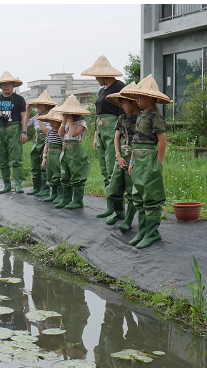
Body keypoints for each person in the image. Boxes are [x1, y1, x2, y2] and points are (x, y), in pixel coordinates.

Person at [122, 75, 170, 249]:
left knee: (151, 196)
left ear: (150, 97)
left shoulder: (155, 116)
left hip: (149, 158)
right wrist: (133, 161)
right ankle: (142, 231)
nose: (137, 100)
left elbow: (162, 140)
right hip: (138, 160)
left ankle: (151, 233)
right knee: (138, 195)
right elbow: (135, 142)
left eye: (140, 97)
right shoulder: (142, 115)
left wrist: (158, 163)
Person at [81, 56, 126, 218]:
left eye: (96, 76)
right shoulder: (102, 90)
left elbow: (123, 112)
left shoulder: (120, 87)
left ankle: (118, 209)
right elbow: (98, 114)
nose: (95, 78)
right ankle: (110, 205)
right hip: (101, 132)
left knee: (113, 168)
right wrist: (95, 136)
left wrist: (118, 134)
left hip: (113, 131)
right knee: (104, 168)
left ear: (102, 74)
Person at [103, 83, 140, 230]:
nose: (122, 106)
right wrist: (118, 155)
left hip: (136, 155)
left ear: (133, 102)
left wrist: (133, 158)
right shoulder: (122, 118)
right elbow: (116, 138)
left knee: (132, 189)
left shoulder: (142, 119)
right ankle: (119, 213)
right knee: (113, 188)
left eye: (124, 103)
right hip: (121, 155)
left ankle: (129, 220)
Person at [0, 71, 28, 194]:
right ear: (0, 86)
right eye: (4, 84)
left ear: (13, 86)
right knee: (2, 158)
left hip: (14, 128)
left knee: (16, 157)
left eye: (9, 84)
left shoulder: (19, 99)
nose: (6, 86)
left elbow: (24, 116)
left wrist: (24, 131)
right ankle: (6, 184)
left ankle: (18, 184)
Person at [55, 95, 90, 210]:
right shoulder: (66, 123)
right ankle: (66, 198)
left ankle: (77, 200)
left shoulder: (82, 123)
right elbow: (60, 134)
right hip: (65, 148)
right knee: (65, 173)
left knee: (77, 173)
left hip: (75, 149)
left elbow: (74, 133)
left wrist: (70, 120)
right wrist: (63, 122)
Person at [24, 91, 57, 197]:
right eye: (38, 104)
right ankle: (36, 187)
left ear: (47, 105)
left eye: (41, 104)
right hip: (36, 141)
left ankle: (45, 188)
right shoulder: (37, 116)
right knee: (35, 165)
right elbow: (26, 123)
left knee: (44, 166)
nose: (39, 107)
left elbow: (48, 131)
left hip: (46, 142)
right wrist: (27, 111)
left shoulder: (51, 117)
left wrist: (39, 122)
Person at [38, 107, 65, 204]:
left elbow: (63, 145)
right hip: (49, 153)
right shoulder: (49, 132)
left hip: (57, 154)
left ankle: (60, 194)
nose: (51, 123)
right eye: (50, 121)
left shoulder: (62, 132)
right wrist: (44, 157)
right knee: (49, 174)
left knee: (57, 174)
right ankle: (53, 193)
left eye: (54, 121)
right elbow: (46, 145)